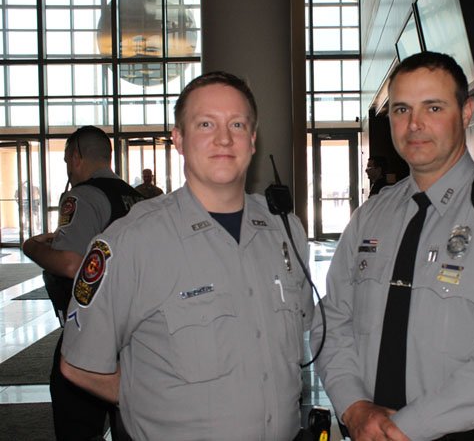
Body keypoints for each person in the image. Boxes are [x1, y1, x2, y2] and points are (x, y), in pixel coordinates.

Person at [310, 51, 474, 441]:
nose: (414, 124)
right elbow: (332, 321)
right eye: (401, 109)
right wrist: (354, 407)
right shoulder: (369, 218)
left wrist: (403, 429)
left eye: (434, 107)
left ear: (465, 112)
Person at [60, 71, 314, 440]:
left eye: (237, 124)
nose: (224, 138)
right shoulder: (131, 242)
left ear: (253, 140)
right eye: (206, 123)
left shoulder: (285, 231)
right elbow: (79, 365)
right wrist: (146, 404)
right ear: (179, 139)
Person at [22, 125, 144, 441]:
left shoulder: (82, 195)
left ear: (76, 156)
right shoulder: (139, 200)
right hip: (136, 334)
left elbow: (70, 263)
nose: (68, 169)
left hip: (91, 333)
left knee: (77, 424)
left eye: (66, 161)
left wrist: (32, 247)